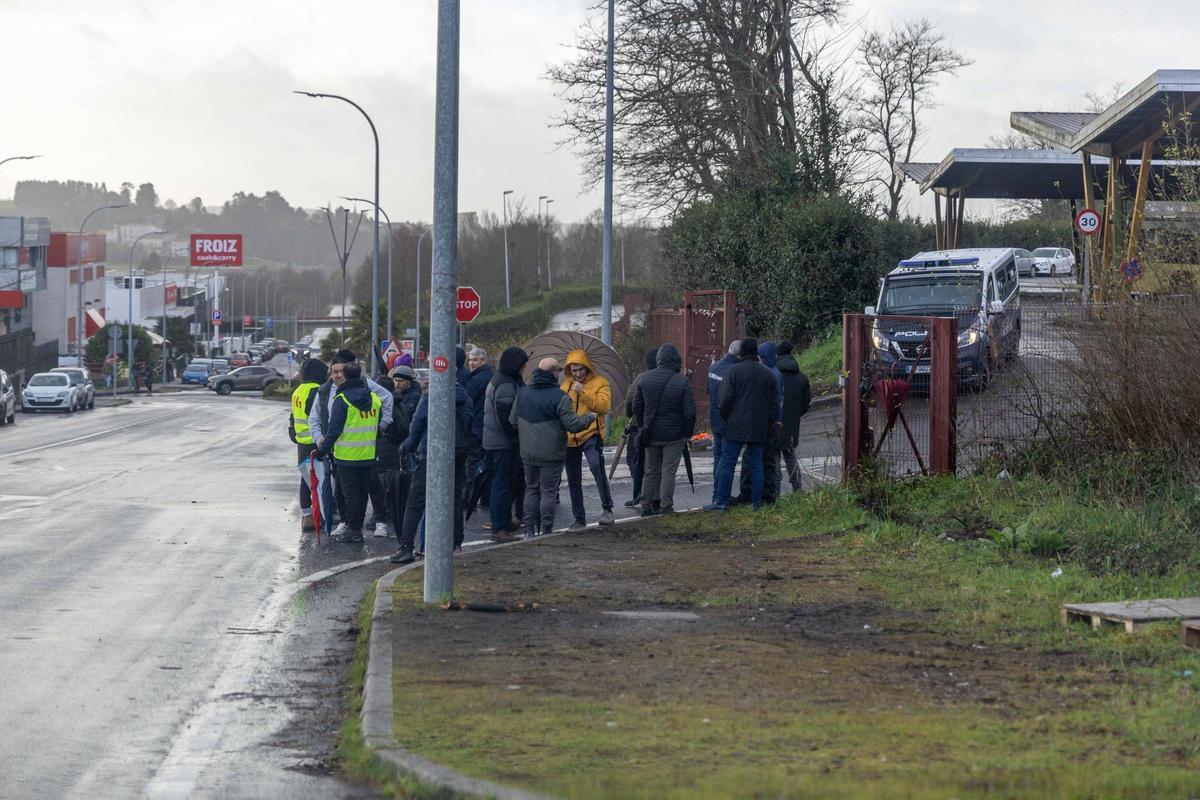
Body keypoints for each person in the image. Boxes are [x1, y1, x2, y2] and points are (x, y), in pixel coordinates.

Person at [308, 349, 394, 536]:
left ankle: (376, 522)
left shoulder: (363, 388)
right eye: (335, 371)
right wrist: (319, 439)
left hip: (364, 450)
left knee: (369, 488)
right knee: (342, 491)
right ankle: (348, 523)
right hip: (340, 451)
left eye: (341, 371)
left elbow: (387, 397)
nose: (338, 375)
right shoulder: (324, 392)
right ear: (330, 373)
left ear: (348, 372)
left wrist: (383, 425)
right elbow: (314, 419)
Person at [511, 357, 597, 538]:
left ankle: (529, 530)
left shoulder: (523, 393)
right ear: (552, 372)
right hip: (551, 453)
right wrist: (589, 417)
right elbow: (573, 425)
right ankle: (546, 529)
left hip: (528, 452)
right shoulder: (559, 396)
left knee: (531, 489)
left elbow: (513, 421)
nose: (560, 373)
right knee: (548, 491)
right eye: (558, 369)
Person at [392, 374, 470, 564]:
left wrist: (408, 445)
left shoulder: (430, 397)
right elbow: (471, 426)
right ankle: (455, 545)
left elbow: (417, 425)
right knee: (454, 500)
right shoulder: (465, 397)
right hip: (458, 453)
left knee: (415, 502)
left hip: (432, 454)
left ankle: (406, 547)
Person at [706, 338, 779, 511]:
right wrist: (769, 423)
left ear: (742, 353)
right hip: (759, 426)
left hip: (735, 425)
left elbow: (725, 400)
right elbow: (774, 403)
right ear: (756, 353)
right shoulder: (768, 373)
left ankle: (721, 502)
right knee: (757, 465)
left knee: (727, 463)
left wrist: (727, 418)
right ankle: (756, 504)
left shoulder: (733, 371)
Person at [317, 362, 381, 543]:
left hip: (347, 457)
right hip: (368, 455)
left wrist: (322, 450)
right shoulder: (374, 398)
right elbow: (378, 426)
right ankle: (356, 529)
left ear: (345, 376)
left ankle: (354, 531)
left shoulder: (342, 400)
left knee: (349, 496)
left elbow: (334, 430)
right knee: (362, 495)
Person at [632, 343, 696, 516]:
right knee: (668, 471)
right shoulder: (682, 381)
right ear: (676, 360)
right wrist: (687, 434)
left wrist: (643, 425)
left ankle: (645, 506)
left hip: (650, 432)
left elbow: (636, 406)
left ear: (659, 359)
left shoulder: (645, 378)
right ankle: (666, 506)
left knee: (650, 471)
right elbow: (690, 413)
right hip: (674, 435)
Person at [560, 349, 615, 530]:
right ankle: (579, 519)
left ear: (587, 367)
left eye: (580, 369)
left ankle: (607, 509)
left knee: (597, 468)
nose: (577, 374)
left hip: (591, 434)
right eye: (573, 370)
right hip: (570, 438)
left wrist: (583, 391)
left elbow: (604, 407)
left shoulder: (601, 382)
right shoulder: (565, 386)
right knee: (573, 479)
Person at [482, 346, 528, 543]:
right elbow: (506, 417)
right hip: (502, 443)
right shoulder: (506, 385)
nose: (524, 368)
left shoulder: (501, 379)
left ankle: (503, 523)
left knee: (503, 484)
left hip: (494, 440)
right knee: (502, 485)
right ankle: (499, 527)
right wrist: (516, 438)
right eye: (523, 365)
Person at [737, 340, 785, 505]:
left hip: (767, 425)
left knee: (758, 461)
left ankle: (758, 494)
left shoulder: (770, 374)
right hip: (772, 423)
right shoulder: (774, 372)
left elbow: (772, 401)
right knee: (766, 460)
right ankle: (766, 495)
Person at [288, 357, 330, 532]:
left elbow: (293, 417)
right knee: (319, 479)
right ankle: (320, 514)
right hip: (314, 442)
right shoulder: (316, 390)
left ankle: (307, 516)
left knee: (306, 480)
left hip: (301, 442)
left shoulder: (298, 390)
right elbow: (318, 417)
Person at [622, 348, 659, 509]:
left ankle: (640, 493)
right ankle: (654, 496)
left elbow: (630, 401)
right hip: (659, 427)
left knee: (634, 460)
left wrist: (630, 415)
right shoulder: (670, 378)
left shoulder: (641, 379)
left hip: (639, 426)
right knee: (655, 464)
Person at [706, 340, 741, 504]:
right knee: (726, 460)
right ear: (739, 355)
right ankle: (721, 496)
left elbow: (708, 390)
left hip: (715, 419)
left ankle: (716, 494)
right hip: (728, 420)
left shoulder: (714, 367)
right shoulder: (734, 371)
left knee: (718, 457)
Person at [775, 341, 811, 493]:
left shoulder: (773, 375)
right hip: (792, 424)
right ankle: (797, 488)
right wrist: (795, 415)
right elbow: (806, 403)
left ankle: (775, 490)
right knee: (790, 455)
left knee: (774, 457)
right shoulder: (801, 378)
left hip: (774, 422)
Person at [463, 347, 494, 521]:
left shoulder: (475, 380)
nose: (472, 363)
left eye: (475, 360)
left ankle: (469, 499)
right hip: (487, 428)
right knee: (487, 464)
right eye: (470, 360)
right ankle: (486, 497)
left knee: (473, 464)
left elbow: (467, 402)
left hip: (476, 428)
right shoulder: (491, 377)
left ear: (483, 361)